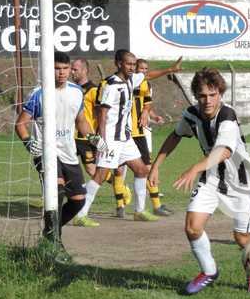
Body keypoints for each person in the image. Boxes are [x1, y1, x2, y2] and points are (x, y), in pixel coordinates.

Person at [148, 68, 250, 294]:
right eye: (202, 95)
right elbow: (175, 135)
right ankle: (209, 271)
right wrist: (156, 166)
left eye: (212, 94)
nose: (207, 100)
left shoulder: (227, 116)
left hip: (241, 182)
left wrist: (194, 168)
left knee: (241, 237)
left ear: (220, 94)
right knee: (192, 228)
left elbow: (224, 152)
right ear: (195, 96)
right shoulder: (192, 115)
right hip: (211, 178)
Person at [72, 50, 181, 226]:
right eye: (128, 64)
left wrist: (169, 70)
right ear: (119, 64)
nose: (132, 67)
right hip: (111, 139)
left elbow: (147, 75)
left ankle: (139, 211)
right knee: (100, 176)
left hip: (125, 139)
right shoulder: (111, 85)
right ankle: (80, 214)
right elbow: (102, 114)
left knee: (142, 170)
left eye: (133, 64)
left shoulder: (131, 79)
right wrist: (102, 140)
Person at [15, 52, 106, 258]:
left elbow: (81, 120)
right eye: (57, 68)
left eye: (65, 68)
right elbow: (20, 124)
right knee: (57, 191)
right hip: (45, 152)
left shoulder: (76, 92)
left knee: (78, 200)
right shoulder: (39, 94)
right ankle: (55, 244)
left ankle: (50, 233)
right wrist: (29, 142)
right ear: (50, 69)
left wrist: (93, 138)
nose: (62, 73)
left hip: (68, 152)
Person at [124, 58, 172, 217]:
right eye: (141, 68)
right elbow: (149, 76)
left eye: (146, 69)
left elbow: (147, 103)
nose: (144, 71)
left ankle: (155, 205)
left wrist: (150, 113)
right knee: (113, 171)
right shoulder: (127, 81)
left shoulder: (146, 85)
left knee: (147, 167)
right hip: (123, 133)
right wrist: (169, 69)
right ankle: (121, 198)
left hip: (139, 132)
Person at [70, 58, 100, 179]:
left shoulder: (93, 90)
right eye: (71, 69)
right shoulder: (71, 89)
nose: (72, 72)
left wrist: (98, 138)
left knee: (92, 170)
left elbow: (101, 115)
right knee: (64, 167)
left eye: (75, 69)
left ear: (84, 70)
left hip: (86, 137)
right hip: (69, 136)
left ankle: (119, 185)